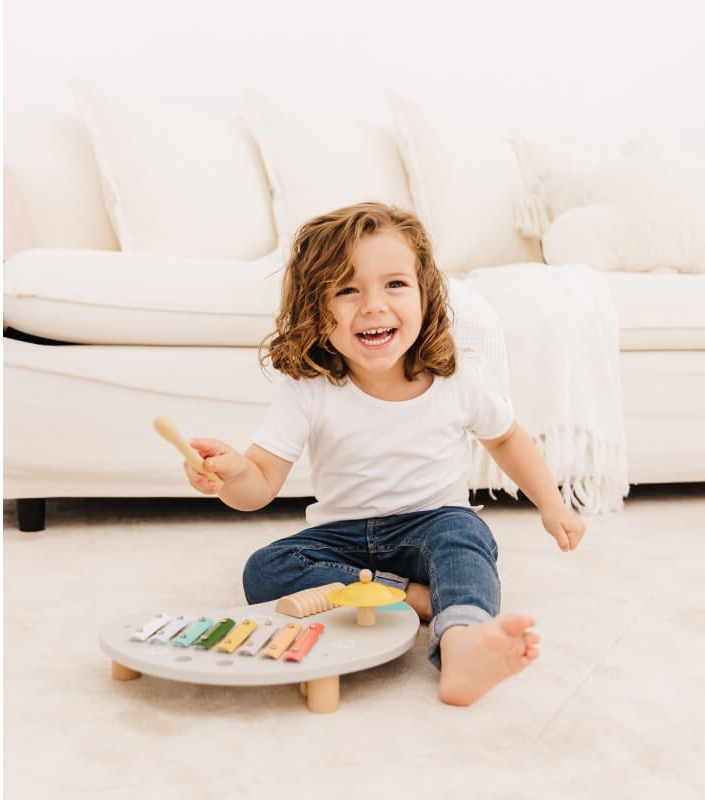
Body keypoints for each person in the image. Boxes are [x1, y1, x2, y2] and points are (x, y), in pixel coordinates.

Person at [183, 201, 586, 706]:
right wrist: (234, 472)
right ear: (315, 307)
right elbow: (258, 485)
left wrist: (551, 503)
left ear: (425, 294)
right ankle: (414, 597)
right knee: (266, 568)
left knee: (466, 537)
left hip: (431, 525)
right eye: (347, 290)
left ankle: (461, 645)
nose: (373, 305)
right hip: (342, 538)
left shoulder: (456, 377)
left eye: (395, 284)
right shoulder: (309, 386)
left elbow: (505, 437)